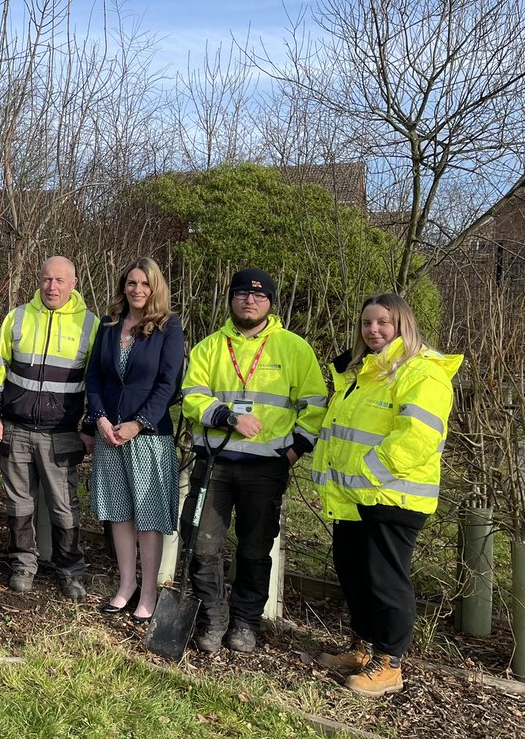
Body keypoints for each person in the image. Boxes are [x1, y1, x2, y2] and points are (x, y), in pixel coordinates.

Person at [312, 294, 461, 696]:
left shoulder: (421, 372)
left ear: (403, 325)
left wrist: (367, 472)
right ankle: (362, 649)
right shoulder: (364, 371)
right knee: (354, 573)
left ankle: (390, 664)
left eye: (383, 323)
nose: (373, 330)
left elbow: (418, 437)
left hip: (393, 498)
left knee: (384, 580)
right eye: (366, 323)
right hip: (354, 497)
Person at [180, 268, 327, 653]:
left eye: (259, 296)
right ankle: (213, 618)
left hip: (265, 468)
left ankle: (245, 622)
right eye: (243, 293)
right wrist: (227, 416)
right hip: (215, 463)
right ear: (231, 298)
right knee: (201, 543)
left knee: (254, 549)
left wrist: (294, 450)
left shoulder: (293, 348)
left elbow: (314, 405)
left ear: (270, 303)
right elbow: (192, 395)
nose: (250, 300)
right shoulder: (210, 346)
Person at [0, 256, 99, 599]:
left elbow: (97, 383)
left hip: (61, 432)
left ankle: (70, 571)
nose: (52, 287)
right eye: (47, 279)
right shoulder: (17, 318)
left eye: (60, 281)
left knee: (64, 505)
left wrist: (89, 426)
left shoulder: (90, 326)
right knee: (19, 502)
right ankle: (22, 565)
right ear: (39, 280)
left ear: (73, 284)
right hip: (15, 428)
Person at [85, 258, 184, 621]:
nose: (137, 290)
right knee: (119, 513)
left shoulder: (168, 328)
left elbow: (168, 384)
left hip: (149, 436)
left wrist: (138, 423)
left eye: (145, 283)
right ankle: (125, 586)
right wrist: (101, 419)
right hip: (110, 434)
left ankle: (148, 593)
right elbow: (94, 377)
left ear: (155, 286)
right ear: (123, 286)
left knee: (147, 516)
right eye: (131, 283)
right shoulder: (110, 325)